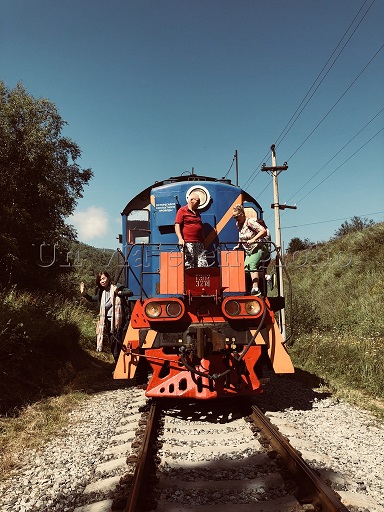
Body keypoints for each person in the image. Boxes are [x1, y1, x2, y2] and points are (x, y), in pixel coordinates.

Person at [80, 271, 132, 361]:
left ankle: (123, 364)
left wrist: (118, 292)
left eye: (103, 278)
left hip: (120, 322)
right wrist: (84, 294)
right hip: (108, 323)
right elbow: (93, 298)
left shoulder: (116, 286)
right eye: (100, 280)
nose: (102, 281)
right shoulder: (101, 292)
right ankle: (117, 364)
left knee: (120, 343)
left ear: (108, 278)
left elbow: (130, 292)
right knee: (112, 344)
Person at [232, 204, 269, 296]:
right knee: (246, 269)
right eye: (233, 217)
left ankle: (255, 289)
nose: (235, 218)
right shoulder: (238, 224)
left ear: (242, 214)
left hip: (259, 247)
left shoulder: (250, 222)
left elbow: (263, 230)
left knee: (252, 265)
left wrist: (253, 239)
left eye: (236, 216)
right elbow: (241, 236)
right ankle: (267, 277)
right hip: (249, 250)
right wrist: (238, 245)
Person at [175, 192, 208, 268]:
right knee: (189, 265)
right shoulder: (182, 211)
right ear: (191, 200)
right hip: (188, 243)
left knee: (202, 265)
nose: (199, 203)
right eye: (198, 200)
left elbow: (200, 226)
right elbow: (177, 225)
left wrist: (203, 239)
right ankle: (189, 280)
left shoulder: (197, 213)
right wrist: (180, 238)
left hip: (199, 243)